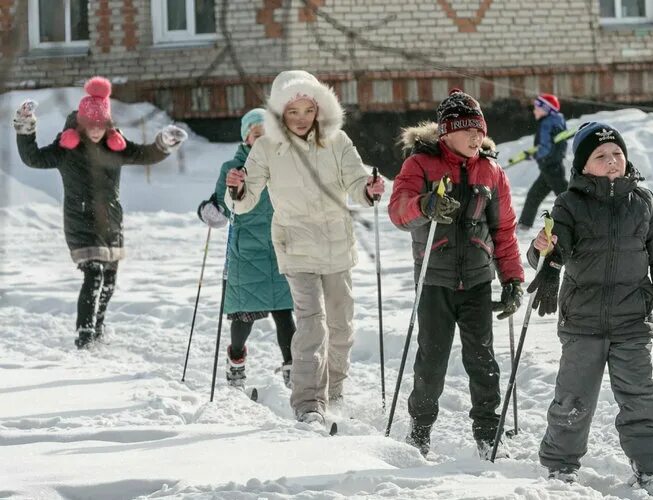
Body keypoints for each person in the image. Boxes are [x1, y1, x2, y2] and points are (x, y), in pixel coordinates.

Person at [526, 122, 653, 498]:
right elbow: (550, 247)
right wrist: (543, 248)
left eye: (617, 153)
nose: (612, 160)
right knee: (573, 398)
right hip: (582, 321)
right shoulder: (569, 203)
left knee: (640, 397)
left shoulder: (645, 203)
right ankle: (560, 467)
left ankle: (649, 469)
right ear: (585, 166)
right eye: (601, 156)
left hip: (632, 321)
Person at [224, 70, 384, 425]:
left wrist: (368, 190)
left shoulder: (337, 140)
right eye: (292, 111)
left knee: (341, 325)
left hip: (336, 245)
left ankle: (335, 392)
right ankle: (308, 403)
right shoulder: (267, 146)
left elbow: (356, 180)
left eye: (307, 111)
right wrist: (235, 188)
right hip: (295, 245)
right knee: (312, 324)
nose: (300, 119)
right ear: (280, 113)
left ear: (319, 109)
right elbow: (245, 199)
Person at [388, 89, 524, 460]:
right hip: (434, 281)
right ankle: (420, 430)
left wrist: (512, 279)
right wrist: (425, 204)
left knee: (482, 361)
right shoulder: (420, 164)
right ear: (446, 132)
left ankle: (487, 431)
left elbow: (504, 230)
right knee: (431, 361)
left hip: (478, 281)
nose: (476, 137)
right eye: (467, 131)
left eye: (479, 130)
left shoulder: (491, 170)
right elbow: (398, 211)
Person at [13, 76, 187, 349]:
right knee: (93, 275)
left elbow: (145, 155)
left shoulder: (114, 146)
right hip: (80, 220)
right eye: (91, 125)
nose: (95, 131)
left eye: (100, 125)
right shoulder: (65, 149)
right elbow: (32, 158)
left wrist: (163, 143)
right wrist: (25, 126)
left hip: (110, 221)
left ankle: (98, 327)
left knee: (109, 280)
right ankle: (84, 335)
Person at [197, 108, 296, 389]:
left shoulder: (283, 163)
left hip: (279, 246)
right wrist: (211, 210)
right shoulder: (233, 167)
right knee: (243, 314)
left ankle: (292, 365)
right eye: (255, 134)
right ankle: (236, 359)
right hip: (246, 251)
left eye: (266, 134)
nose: (261, 139)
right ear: (246, 138)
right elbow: (221, 202)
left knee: (284, 310)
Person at [517, 93, 568, 231]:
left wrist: (534, 155)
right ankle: (524, 225)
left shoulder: (546, 123)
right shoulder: (557, 120)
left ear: (546, 108)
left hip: (551, 167)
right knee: (534, 195)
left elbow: (545, 147)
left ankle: (583, 220)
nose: (534, 111)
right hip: (551, 167)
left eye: (536, 108)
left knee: (567, 198)